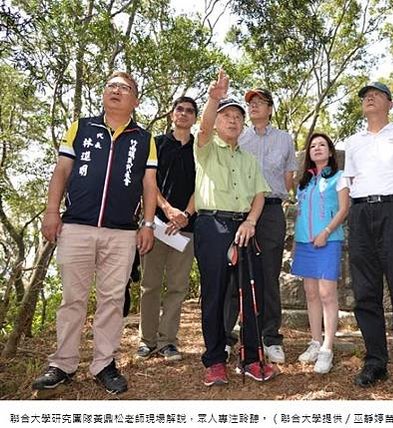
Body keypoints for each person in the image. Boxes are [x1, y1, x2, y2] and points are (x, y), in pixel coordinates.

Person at [32, 71, 157, 394]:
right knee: (72, 298)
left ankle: (104, 363)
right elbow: (62, 169)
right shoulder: (82, 127)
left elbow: (148, 184)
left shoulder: (144, 139)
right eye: (111, 85)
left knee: (112, 300)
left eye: (124, 88)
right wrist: (51, 212)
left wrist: (146, 224)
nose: (116, 91)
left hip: (121, 232)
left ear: (135, 100)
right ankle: (62, 363)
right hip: (76, 226)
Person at [194, 70, 276, 386]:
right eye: (226, 116)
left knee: (250, 293)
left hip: (244, 228)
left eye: (237, 118)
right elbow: (202, 127)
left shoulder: (248, 159)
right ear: (216, 121)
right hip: (211, 226)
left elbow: (259, 195)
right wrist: (215, 97)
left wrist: (251, 222)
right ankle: (215, 361)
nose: (232, 121)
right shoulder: (205, 147)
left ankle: (252, 359)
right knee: (214, 295)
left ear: (243, 126)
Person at [343, 82, 393, 397]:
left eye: (376, 94)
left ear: (390, 103)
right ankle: (375, 362)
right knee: (365, 294)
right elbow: (350, 183)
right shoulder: (353, 142)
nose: (369, 98)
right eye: (365, 95)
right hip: (361, 215)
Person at [224, 88, 297, 364]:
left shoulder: (284, 139)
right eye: (250, 103)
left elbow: (289, 177)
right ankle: (228, 337)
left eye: (259, 102)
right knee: (234, 274)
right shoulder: (239, 137)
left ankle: (270, 337)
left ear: (270, 108)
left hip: (271, 212)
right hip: (239, 211)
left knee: (268, 276)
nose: (253, 106)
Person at [136, 96, 198, 362]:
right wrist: (167, 209)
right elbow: (146, 181)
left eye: (189, 111)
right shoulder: (156, 144)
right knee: (149, 285)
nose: (184, 114)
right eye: (179, 109)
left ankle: (168, 342)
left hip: (186, 228)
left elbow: (204, 186)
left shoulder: (202, 149)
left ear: (195, 118)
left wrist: (185, 214)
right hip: (154, 225)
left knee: (177, 287)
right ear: (172, 114)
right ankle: (146, 341)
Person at [291, 133, 350, 374]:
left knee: (327, 294)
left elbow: (344, 209)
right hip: (304, 244)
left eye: (322, 145)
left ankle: (327, 348)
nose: (317, 148)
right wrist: (296, 241)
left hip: (328, 241)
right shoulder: (304, 182)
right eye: (313, 146)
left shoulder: (339, 177)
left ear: (330, 151)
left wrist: (326, 231)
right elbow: (299, 214)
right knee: (311, 293)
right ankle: (315, 341)